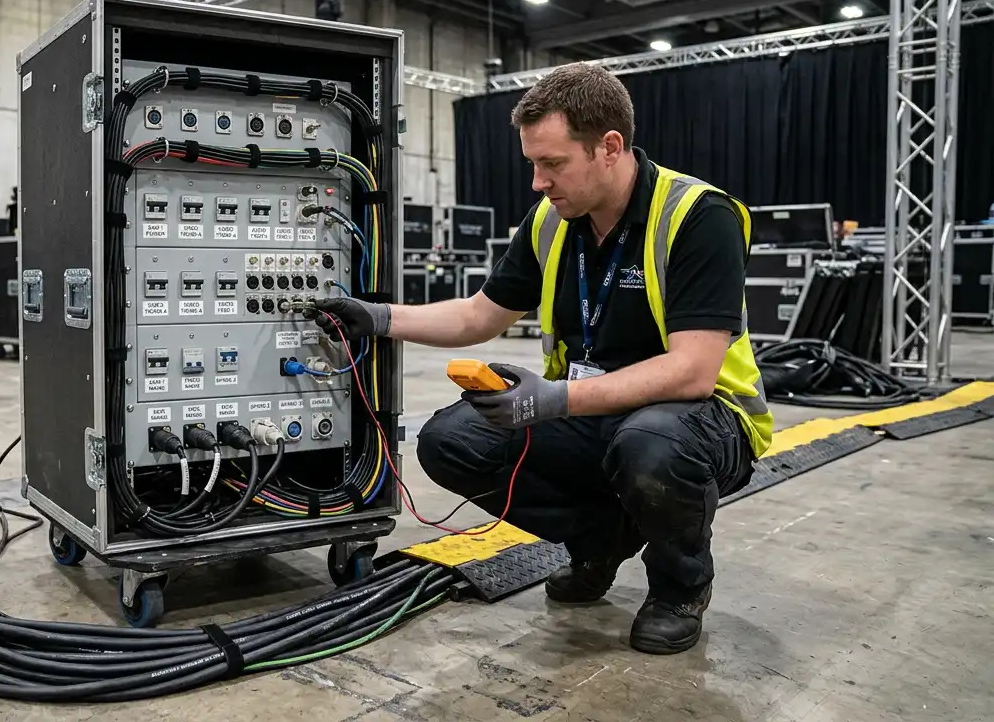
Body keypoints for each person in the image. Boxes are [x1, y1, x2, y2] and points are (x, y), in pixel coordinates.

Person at [309, 63, 773, 656]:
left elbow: (692, 370)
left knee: (650, 444)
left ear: (609, 147)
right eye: (533, 163)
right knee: (451, 439)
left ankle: (679, 589)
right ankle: (600, 540)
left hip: (702, 417)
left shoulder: (699, 216)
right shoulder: (553, 221)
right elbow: (481, 315)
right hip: (594, 411)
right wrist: (379, 318)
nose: (537, 181)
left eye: (552, 163)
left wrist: (552, 400)